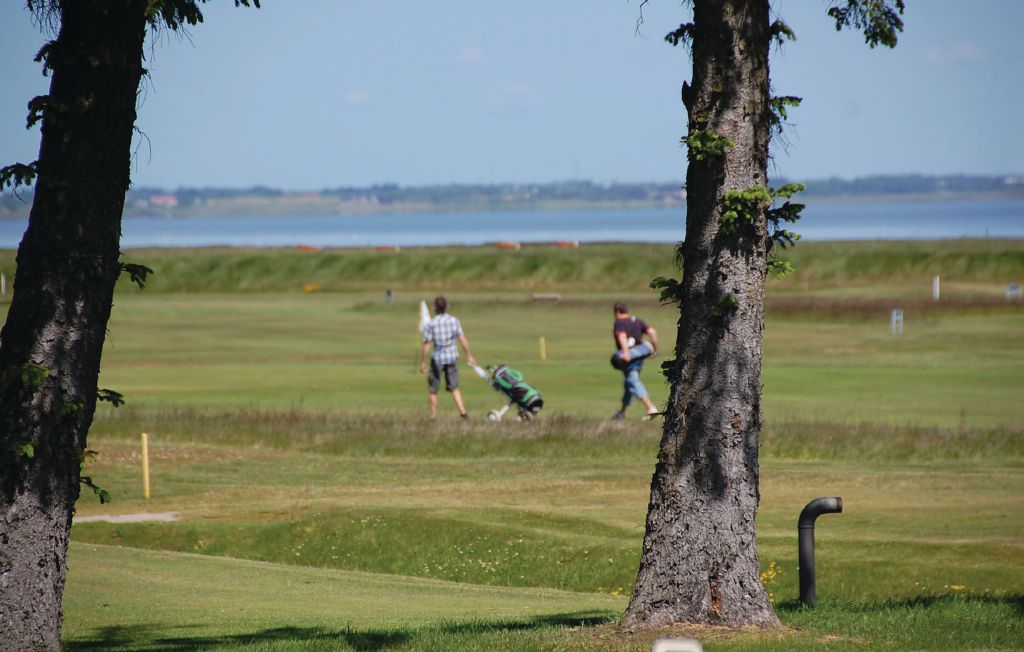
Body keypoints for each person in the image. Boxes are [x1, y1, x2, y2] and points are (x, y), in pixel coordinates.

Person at [419, 296, 477, 418]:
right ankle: (462, 412)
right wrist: (469, 356)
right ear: (446, 307)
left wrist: (423, 363)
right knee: (454, 387)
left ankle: (433, 416)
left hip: (437, 359)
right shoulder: (454, 321)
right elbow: (462, 339)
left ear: (435, 308)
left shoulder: (431, 324)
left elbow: (426, 344)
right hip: (452, 357)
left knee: (433, 389)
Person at [610, 302, 659, 420]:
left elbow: (622, 336)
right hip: (639, 355)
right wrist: (655, 349)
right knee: (629, 383)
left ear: (617, 311)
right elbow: (652, 332)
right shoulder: (637, 320)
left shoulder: (619, 322)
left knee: (631, 379)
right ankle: (622, 412)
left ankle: (651, 407)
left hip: (629, 357)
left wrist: (626, 353)